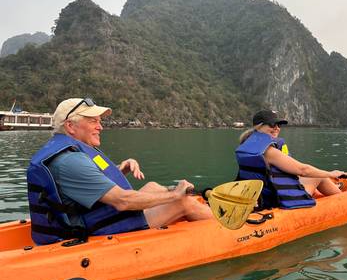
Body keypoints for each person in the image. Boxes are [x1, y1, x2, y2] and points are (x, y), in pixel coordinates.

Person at [27, 98, 212, 245]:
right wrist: (176, 195)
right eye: (93, 121)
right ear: (70, 126)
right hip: (91, 227)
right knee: (184, 202)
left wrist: (119, 171)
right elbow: (123, 201)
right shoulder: (70, 161)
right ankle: (235, 228)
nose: (100, 127)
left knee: (152, 186)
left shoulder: (68, 152)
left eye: (99, 121)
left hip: (89, 216)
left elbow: (86, 184)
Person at [235, 110, 347, 210]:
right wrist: (331, 173)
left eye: (279, 125)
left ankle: (330, 190)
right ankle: (346, 201)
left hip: (261, 197)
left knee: (306, 177)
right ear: (258, 126)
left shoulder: (246, 144)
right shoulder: (269, 151)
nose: (276, 128)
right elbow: (303, 170)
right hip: (277, 199)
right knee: (318, 176)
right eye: (272, 124)